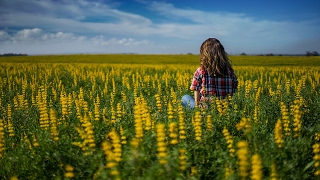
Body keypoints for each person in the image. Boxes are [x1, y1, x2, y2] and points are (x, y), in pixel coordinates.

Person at [182, 38, 238, 108]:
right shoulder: (230, 72)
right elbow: (234, 88)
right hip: (225, 108)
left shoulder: (200, 71)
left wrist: (197, 107)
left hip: (205, 108)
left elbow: (196, 90)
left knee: (185, 97)